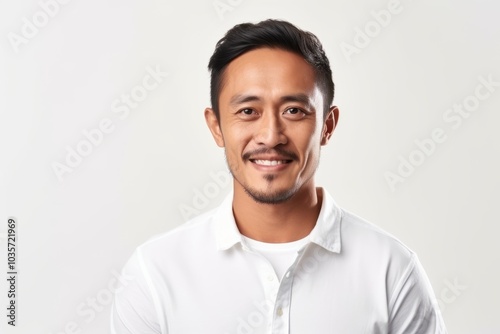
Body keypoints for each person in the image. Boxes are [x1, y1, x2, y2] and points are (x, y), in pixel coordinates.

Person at [111, 19, 447, 333]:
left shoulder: (391, 271)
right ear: (216, 127)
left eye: (294, 111)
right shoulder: (155, 274)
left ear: (327, 126)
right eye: (247, 111)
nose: (270, 136)